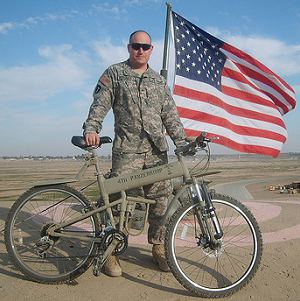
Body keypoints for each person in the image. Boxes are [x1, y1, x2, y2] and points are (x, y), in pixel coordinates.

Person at [83, 30, 186, 277]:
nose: (140, 50)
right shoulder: (115, 73)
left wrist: (181, 141)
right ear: (129, 48)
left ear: (152, 50)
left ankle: (159, 247)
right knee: (121, 203)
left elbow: (170, 114)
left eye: (145, 46)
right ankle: (112, 252)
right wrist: (91, 127)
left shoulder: (158, 81)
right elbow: (100, 103)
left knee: (161, 201)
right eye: (135, 46)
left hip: (156, 152)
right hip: (126, 151)